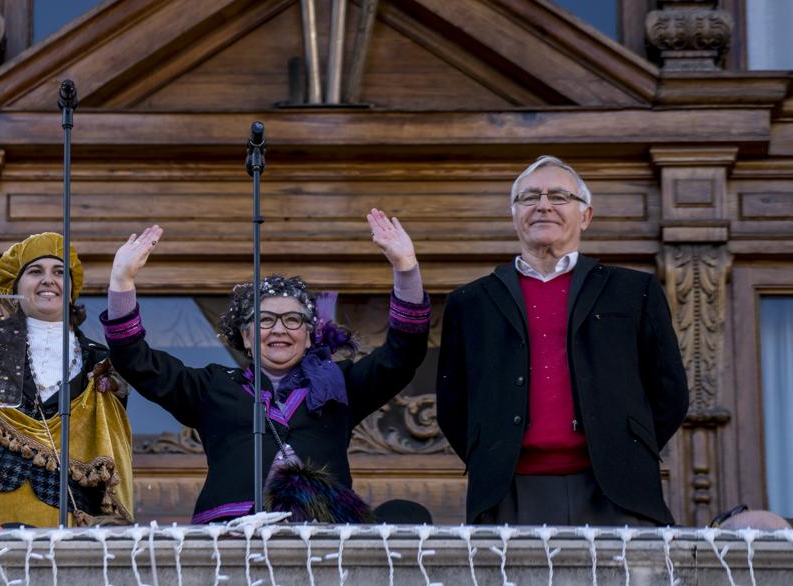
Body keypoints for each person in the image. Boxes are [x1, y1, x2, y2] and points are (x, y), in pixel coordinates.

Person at [99, 211, 431, 524]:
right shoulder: (214, 386)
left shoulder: (339, 382)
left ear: (309, 333)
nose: (279, 329)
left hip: (324, 536)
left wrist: (406, 269)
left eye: (292, 319)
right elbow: (137, 361)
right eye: (265, 320)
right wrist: (121, 282)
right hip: (229, 534)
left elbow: (402, 356)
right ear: (245, 337)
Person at [436, 155, 690, 526]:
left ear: (585, 216)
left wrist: (622, 446)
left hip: (618, 493)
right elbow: (453, 404)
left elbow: (670, 391)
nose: (543, 205)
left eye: (558, 196)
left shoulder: (635, 291)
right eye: (529, 198)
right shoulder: (470, 302)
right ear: (514, 215)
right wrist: (494, 452)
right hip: (509, 493)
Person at [0, 233, 133, 526]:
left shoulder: (100, 360)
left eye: (60, 273)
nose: (48, 280)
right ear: (15, 286)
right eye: (35, 272)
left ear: (71, 290)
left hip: (70, 521)